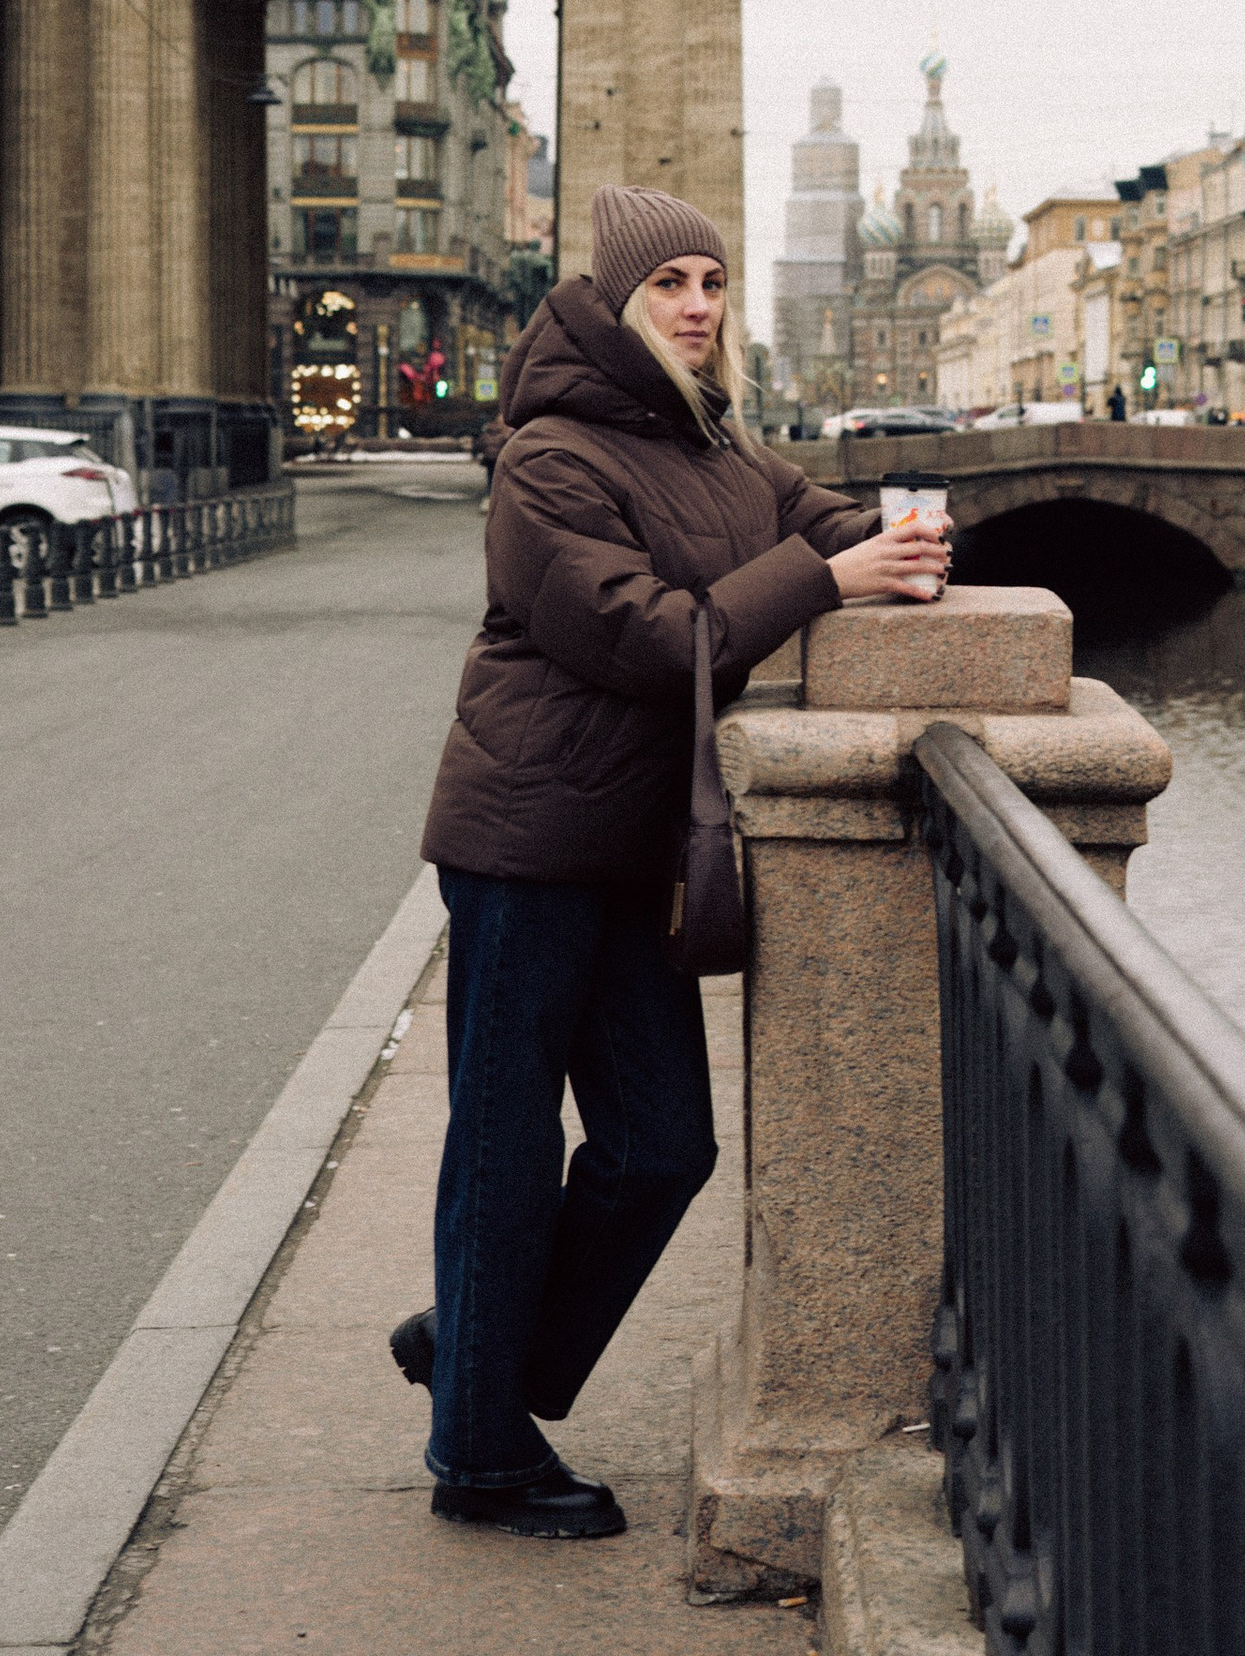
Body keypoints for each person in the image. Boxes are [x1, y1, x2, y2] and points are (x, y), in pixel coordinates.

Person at [398, 183, 951, 1542]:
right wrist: (830, 582)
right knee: (509, 1150)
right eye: (672, 286)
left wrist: (911, 540)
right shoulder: (551, 457)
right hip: (530, 839)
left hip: (636, 846)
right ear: (615, 299)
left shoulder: (717, 448)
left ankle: (473, 1350)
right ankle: (476, 1453)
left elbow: (818, 520)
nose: (699, 307)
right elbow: (654, 637)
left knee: (660, 1150)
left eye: (712, 283)